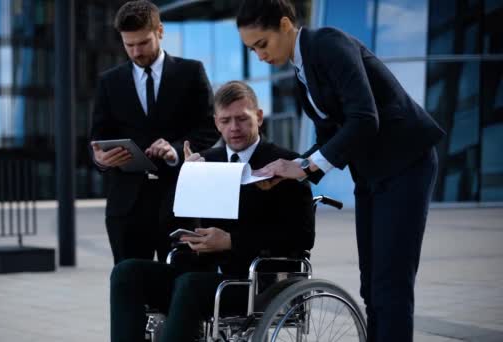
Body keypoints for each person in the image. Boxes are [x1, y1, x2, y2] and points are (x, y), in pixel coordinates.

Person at [235, 1, 446, 341]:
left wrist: (305, 167)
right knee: (371, 285)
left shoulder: (329, 43)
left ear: (286, 26)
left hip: (406, 164)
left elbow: (364, 118)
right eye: (252, 49)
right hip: (372, 172)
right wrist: (289, 169)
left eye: (262, 44)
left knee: (390, 284)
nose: (259, 55)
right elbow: (329, 135)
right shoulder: (302, 70)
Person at [109, 81, 315, 342]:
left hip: (255, 280)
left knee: (190, 285)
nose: (234, 128)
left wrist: (231, 241)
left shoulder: (284, 163)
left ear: (259, 117)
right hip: (200, 272)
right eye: (226, 120)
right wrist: (186, 177)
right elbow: (168, 223)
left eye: (242, 119)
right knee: (127, 272)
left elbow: (302, 236)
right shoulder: (205, 159)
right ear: (216, 123)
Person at [89, 0, 219, 264]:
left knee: (181, 289)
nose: (136, 51)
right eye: (129, 45)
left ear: (160, 31)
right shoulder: (109, 82)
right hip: (127, 208)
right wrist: (100, 160)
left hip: (181, 203)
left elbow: (209, 125)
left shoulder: (191, 72)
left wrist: (176, 149)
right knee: (131, 290)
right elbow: (98, 137)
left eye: (143, 42)